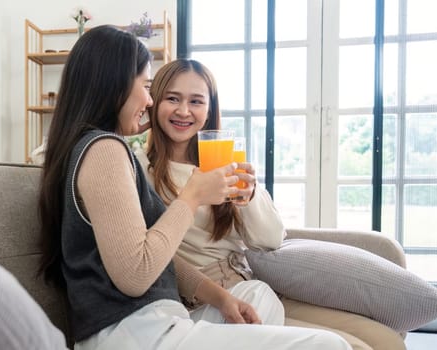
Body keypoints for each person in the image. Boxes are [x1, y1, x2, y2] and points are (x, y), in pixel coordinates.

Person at [37, 25, 352, 350]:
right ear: (113, 85)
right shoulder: (106, 150)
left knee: (261, 303)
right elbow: (134, 276)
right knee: (330, 345)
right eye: (148, 88)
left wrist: (221, 298)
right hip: (135, 333)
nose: (149, 99)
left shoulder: (102, 150)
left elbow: (155, 258)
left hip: (156, 325)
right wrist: (192, 196)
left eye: (194, 101)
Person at [135, 58, 406, 350]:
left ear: (210, 109)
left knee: (386, 341)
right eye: (172, 99)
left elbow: (270, 239)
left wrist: (249, 197)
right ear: (153, 101)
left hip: (249, 283)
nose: (184, 111)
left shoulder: (224, 162)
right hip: (201, 301)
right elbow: (146, 254)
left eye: (196, 101)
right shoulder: (141, 169)